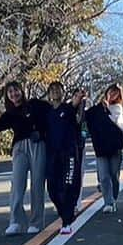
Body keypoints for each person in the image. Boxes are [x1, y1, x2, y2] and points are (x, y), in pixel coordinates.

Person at [0, 81, 50, 235]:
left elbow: (51, 114)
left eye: (16, 90)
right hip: (19, 148)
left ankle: (36, 222)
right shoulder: (10, 113)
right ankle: (16, 221)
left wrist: (42, 132)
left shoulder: (35, 104)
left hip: (37, 144)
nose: (14, 94)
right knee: (17, 183)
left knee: (37, 183)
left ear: (22, 90)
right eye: (10, 92)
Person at [45, 81, 86, 233]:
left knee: (68, 186)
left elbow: (76, 106)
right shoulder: (47, 112)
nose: (55, 92)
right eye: (52, 89)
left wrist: (79, 98)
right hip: (52, 155)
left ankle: (66, 221)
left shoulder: (68, 109)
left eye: (58, 89)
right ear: (49, 94)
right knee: (52, 189)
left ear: (63, 93)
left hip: (68, 153)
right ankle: (65, 213)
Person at [85, 83, 123, 214]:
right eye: (111, 91)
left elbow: (119, 126)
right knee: (104, 176)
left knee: (114, 175)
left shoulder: (120, 110)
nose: (112, 95)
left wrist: (106, 111)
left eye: (116, 93)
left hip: (115, 148)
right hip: (101, 148)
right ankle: (108, 202)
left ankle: (113, 198)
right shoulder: (98, 109)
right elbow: (87, 118)